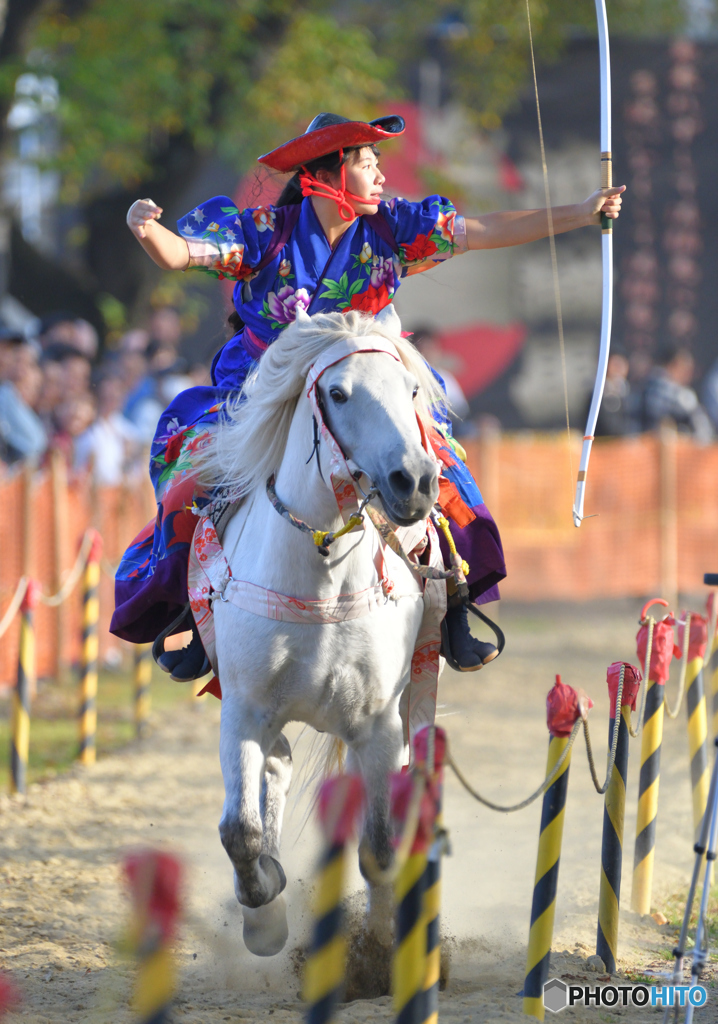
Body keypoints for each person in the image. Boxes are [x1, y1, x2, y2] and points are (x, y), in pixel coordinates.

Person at [111, 112, 624, 679]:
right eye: (367, 161)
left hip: (366, 386)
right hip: (267, 388)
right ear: (325, 174)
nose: (382, 173)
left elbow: (482, 231)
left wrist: (581, 212)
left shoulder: (393, 227)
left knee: (440, 466)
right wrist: (145, 229)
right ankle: (192, 611)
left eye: (378, 162)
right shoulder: (264, 230)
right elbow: (181, 252)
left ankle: (452, 601)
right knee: (193, 474)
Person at [637, 345, 713, 442]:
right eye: (686, 369)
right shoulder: (681, 397)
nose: (689, 376)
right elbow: (704, 433)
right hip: (675, 453)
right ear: (674, 365)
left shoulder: (642, 388)